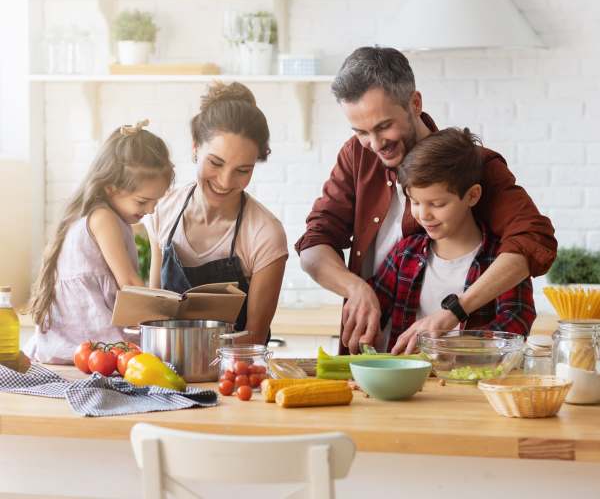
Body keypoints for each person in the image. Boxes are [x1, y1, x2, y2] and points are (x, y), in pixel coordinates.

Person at [296, 46, 556, 354]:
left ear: (415, 103)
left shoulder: (472, 165)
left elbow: (533, 238)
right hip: (379, 358)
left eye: (383, 126)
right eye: (361, 132)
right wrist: (355, 288)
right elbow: (314, 245)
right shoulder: (357, 155)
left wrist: (456, 312)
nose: (375, 144)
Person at [145, 82, 288, 345]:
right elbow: (154, 316)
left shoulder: (265, 233)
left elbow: (255, 337)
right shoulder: (162, 210)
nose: (225, 181)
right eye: (216, 163)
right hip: (164, 371)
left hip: (234, 374)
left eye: (243, 170)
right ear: (195, 147)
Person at [371, 127, 536, 354]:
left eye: (437, 204)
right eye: (415, 202)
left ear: (472, 195)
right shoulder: (404, 254)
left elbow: (517, 322)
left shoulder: (501, 260)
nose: (423, 215)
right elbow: (374, 309)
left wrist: (448, 346)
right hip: (407, 382)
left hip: (473, 382)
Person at [26, 120, 174, 363]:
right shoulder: (103, 218)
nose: (149, 210)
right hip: (89, 339)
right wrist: (163, 318)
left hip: (73, 341)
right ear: (111, 188)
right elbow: (128, 282)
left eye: (155, 202)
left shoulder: (98, 214)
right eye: (142, 201)